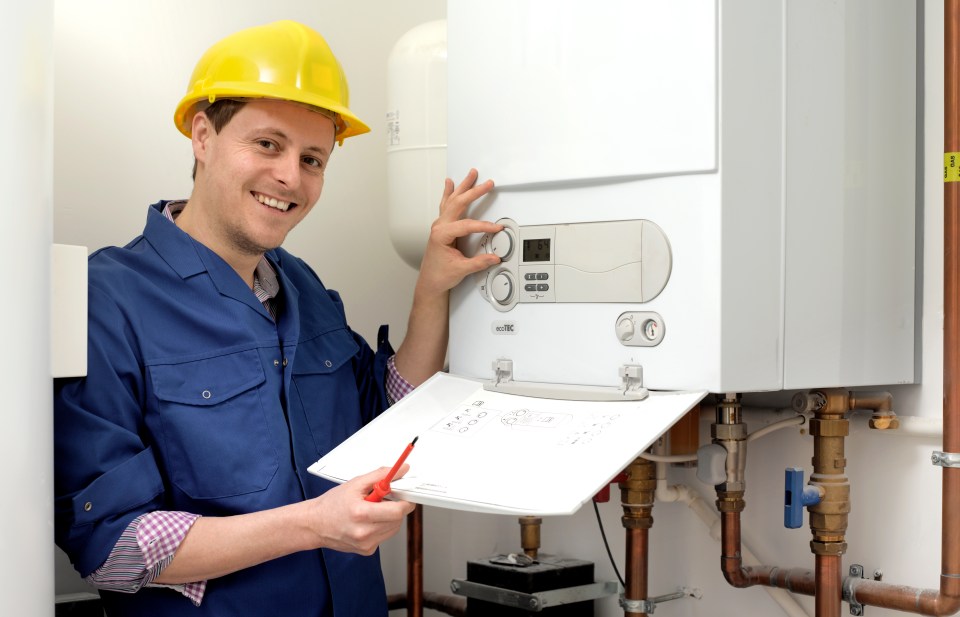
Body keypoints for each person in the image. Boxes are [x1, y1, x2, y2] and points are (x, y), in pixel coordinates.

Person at [53, 20, 501, 617]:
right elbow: (111, 547)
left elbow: (389, 420)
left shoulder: (302, 285)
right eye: (268, 144)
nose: (291, 176)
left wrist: (432, 287)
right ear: (203, 135)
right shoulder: (104, 300)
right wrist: (314, 524)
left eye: (313, 158)